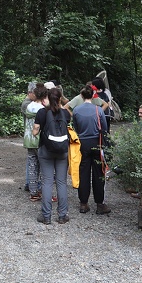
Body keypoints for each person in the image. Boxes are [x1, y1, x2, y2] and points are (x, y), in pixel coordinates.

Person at [33, 86, 71, 224]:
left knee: (47, 182)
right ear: (60, 98)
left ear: (47, 98)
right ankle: (62, 215)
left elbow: (35, 132)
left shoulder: (42, 113)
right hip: (62, 151)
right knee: (61, 182)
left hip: (46, 150)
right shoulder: (65, 114)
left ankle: (46, 216)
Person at [71, 85, 111, 215]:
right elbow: (104, 128)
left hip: (82, 144)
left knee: (83, 173)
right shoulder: (98, 110)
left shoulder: (76, 110)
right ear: (93, 96)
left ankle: (83, 203)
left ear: (82, 96)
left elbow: (75, 127)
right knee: (99, 173)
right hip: (97, 143)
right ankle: (100, 204)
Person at [22, 82, 44, 200]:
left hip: (29, 139)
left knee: (32, 166)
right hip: (39, 140)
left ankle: (33, 191)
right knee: (44, 166)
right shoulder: (41, 109)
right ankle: (42, 191)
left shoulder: (28, 106)